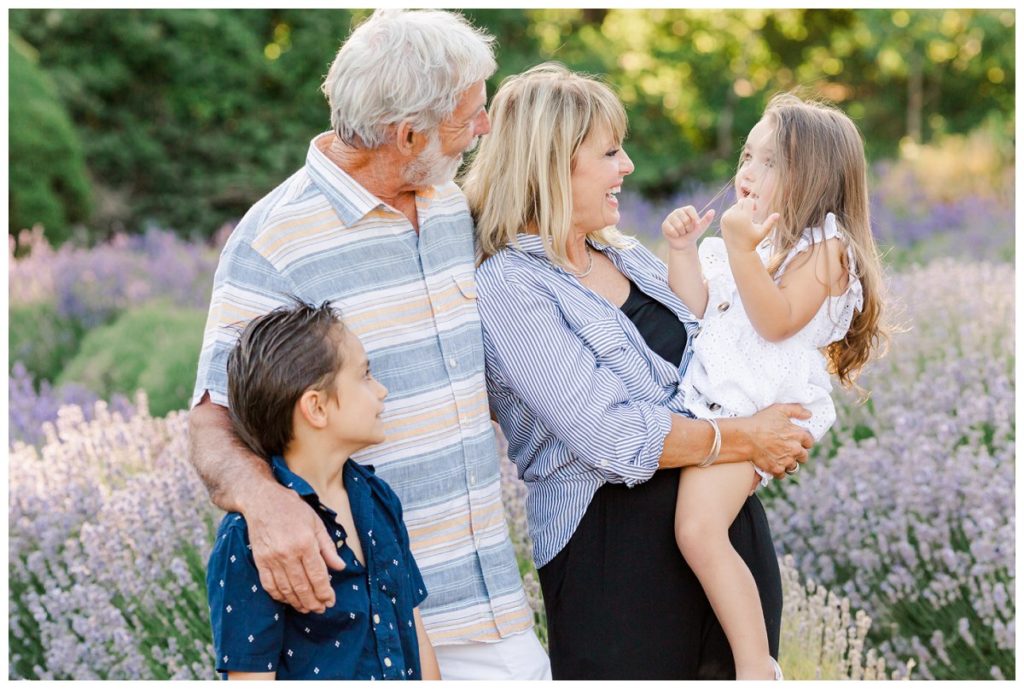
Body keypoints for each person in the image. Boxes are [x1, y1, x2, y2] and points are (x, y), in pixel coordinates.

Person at [189, 10, 550, 680]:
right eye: (470, 113)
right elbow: (213, 420)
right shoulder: (274, 241)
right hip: (364, 627)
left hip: (495, 610)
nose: (485, 126)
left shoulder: (451, 207)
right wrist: (267, 505)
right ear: (406, 133)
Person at [462, 62, 814, 680]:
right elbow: (610, 435)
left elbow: (715, 351)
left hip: (719, 536)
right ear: (551, 164)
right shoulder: (508, 285)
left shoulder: (624, 252)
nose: (627, 167)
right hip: (615, 562)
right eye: (609, 152)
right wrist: (745, 438)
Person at [662, 93, 888, 679]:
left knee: (698, 529)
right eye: (745, 156)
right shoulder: (754, 243)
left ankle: (755, 666)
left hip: (767, 405)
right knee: (694, 529)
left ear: (811, 177)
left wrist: (740, 250)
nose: (745, 172)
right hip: (716, 401)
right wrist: (684, 251)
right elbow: (695, 309)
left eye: (767, 162)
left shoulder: (826, 249)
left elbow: (776, 320)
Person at [207, 300, 440, 680]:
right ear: (316, 408)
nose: (381, 390)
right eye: (365, 375)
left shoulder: (378, 499)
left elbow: (415, 633)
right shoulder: (249, 541)